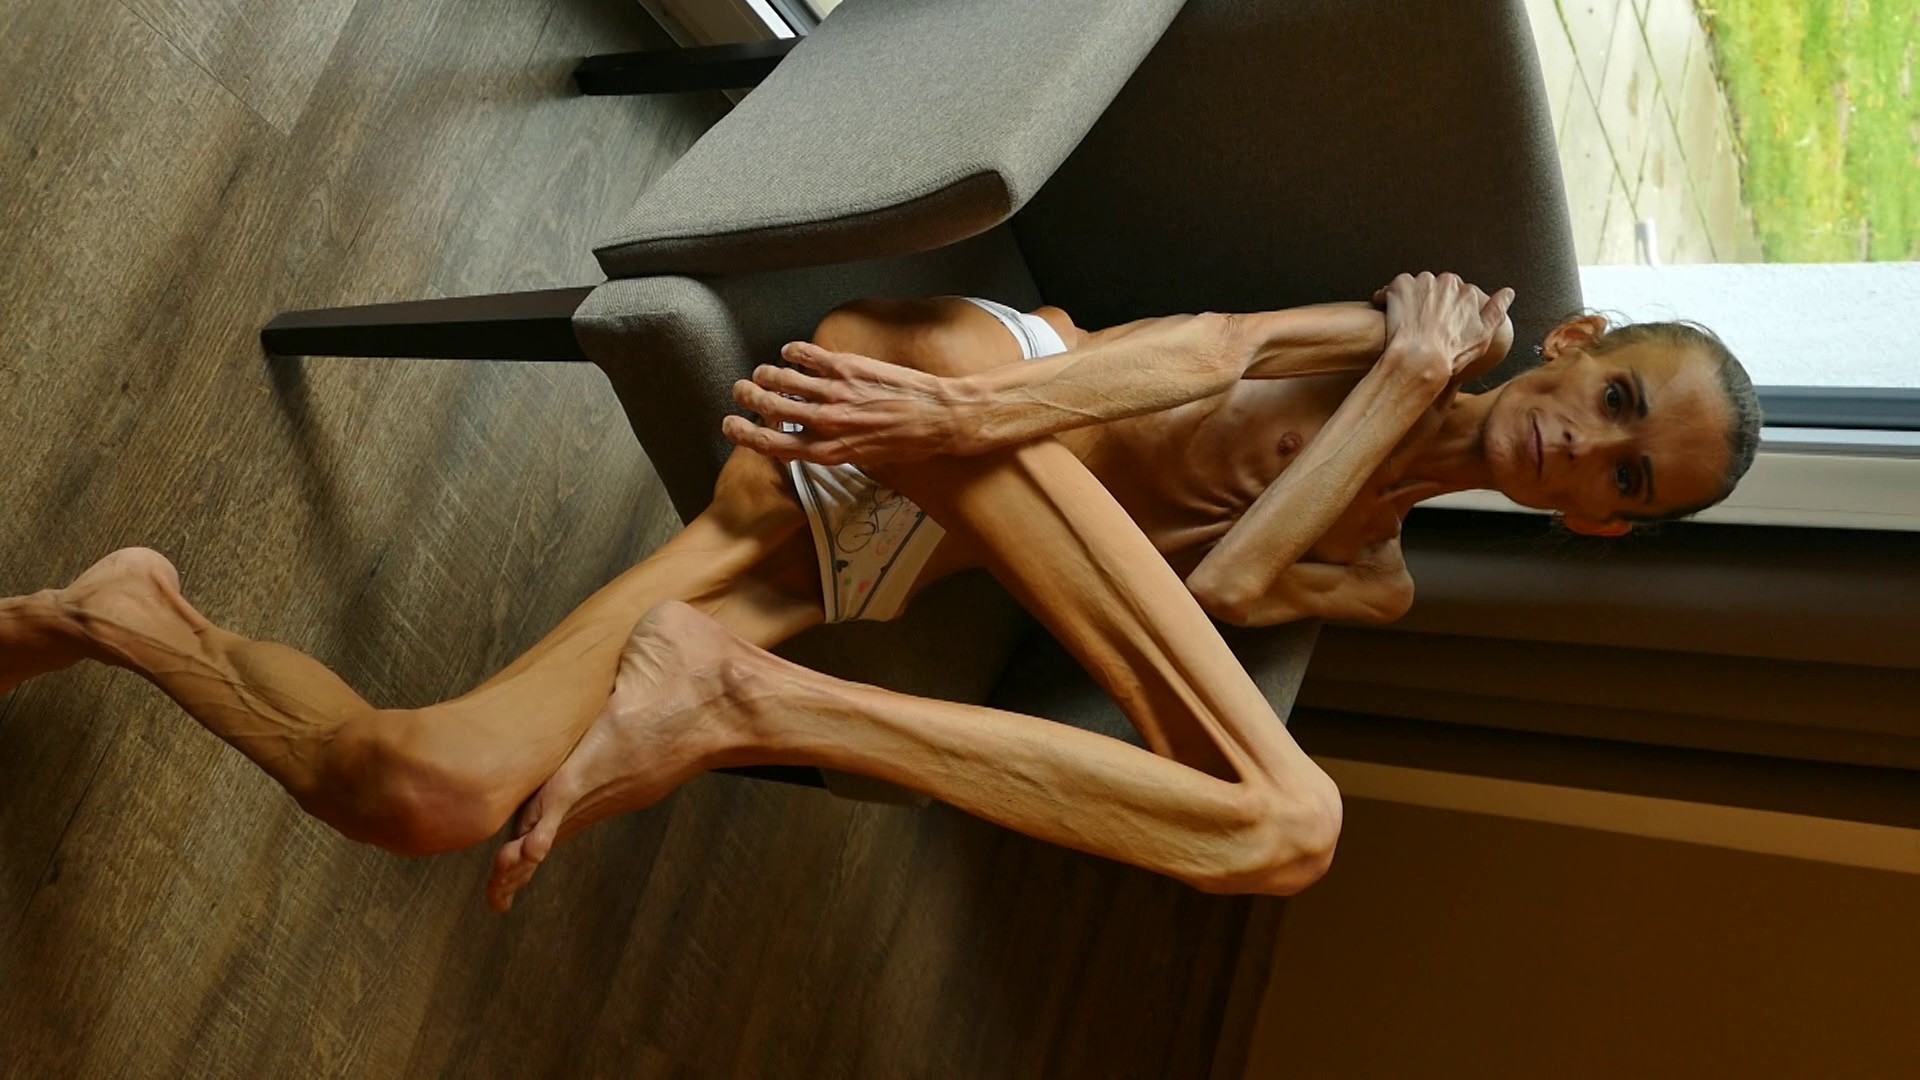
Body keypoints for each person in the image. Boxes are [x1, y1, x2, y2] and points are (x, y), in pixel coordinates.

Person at [0, 273, 1761, 912]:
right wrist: (970, 416)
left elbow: (1231, 577)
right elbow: (1207, 350)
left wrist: (1402, 402)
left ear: (1605, 533)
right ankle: (745, 708)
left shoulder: (1377, 580)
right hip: (960, 388)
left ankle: (126, 616)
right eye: (1619, 400)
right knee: (1297, 822)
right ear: (1578, 339)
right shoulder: (1401, 325)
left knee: (422, 793)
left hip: (869, 543)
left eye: (1630, 479)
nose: (1586, 447)